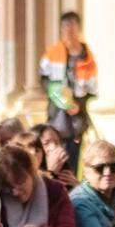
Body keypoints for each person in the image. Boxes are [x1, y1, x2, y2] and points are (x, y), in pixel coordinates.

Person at [39, 11, 96, 149]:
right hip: (57, 111)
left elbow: (92, 87)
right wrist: (59, 96)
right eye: (64, 27)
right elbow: (44, 80)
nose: (68, 31)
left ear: (79, 29)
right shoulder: (53, 52)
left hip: (78, 115)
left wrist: (78, 105)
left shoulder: (87, 57)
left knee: (75, 151)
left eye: (71, 27)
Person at [69, 139, 115, 227]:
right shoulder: (80, 203)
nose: (107, 172)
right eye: (100, 167)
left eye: (114, 167)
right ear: (86, 171)